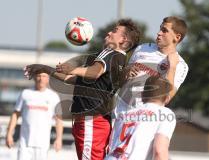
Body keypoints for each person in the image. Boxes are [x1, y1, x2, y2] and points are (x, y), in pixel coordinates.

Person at [24, 19, 140, 160]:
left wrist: (73, 69)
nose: (109, 32)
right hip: (94, 122)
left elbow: (94, 72)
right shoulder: (120, 60)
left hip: (91, 122)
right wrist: (44, 68)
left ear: (124, 39)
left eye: (114, 31)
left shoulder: (110, 53)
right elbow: (71, 79)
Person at [115, 16, 188, 114]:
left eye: (164, 30)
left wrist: (172, 67)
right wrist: (126, 71)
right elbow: (119, 82)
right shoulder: (142, 48)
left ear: (177, 37)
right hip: (120, 112)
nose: (159, 33)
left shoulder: (181, 65)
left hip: (144, 117)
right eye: (160, 28)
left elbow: (167, 97)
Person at [105, 76, 176, 160]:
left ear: (142, 95)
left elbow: (110, 147)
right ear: (167, 98)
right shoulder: (164, 113)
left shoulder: (123, 115)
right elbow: (159, 151)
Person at [6, 71, 63, 160]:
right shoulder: (25, 93)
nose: (41, 79)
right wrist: (9, 134)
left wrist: (59, 138)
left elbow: (58, 119)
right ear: (34, 77)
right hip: (25, 143)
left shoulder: (53, 96)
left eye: (44, 76)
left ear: (48, 79)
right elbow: (15, 115)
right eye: (39, 76)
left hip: (43, 144)